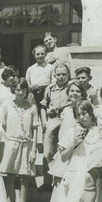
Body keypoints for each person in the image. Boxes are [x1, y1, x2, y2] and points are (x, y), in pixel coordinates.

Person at [33, 82, 87, 202]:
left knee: (71, 182)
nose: (74, 93)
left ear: (82, 93)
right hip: (64, 150)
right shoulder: (67, 109)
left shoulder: (84, 108)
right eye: (71, 91)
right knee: (58, 181)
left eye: (77, 91)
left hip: (77, 151)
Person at [56, 101, 101, 202]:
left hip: (90, 175)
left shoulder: (99, 131)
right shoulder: (72, 132)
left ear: (91, 113)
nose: (82, 117)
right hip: (74, 174)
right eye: (79, 115)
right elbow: (63, 157)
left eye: (85, 113)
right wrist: (74, 142)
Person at [0, 79, 39, 202]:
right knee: (9, 177)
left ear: (26, 91)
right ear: (13, 90)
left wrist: (33, 149)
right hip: (10, 143)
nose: (20, 92)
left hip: (26, 145)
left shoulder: (32, 108)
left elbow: (35, 130)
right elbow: (2, 127)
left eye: (22, 89)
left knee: (24, 178)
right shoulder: (7, 106)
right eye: (17, 89)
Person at [37, 63, 71, 192]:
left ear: (68, 75)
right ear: (54, 75)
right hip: (52, 120)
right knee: (47, 152)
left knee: (64, 150)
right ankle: (47, 182)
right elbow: (43, 106)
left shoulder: (71, 88)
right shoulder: (50, 88)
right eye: (58, 74)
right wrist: (44, 122)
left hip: (66, 120)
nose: (61, 77)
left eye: (64, 74)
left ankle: (62, 179)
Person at [25, 44, 54, 110]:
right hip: (33, 94)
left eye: (42, 54)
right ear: (34, 55)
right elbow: (27, 82)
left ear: (46, 54)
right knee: (33, 111)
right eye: (37, 54)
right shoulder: (30, 69)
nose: (40, 56)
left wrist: (47, 86)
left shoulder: (51, 67)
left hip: (46, 93)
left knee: (45, 111)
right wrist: (30, 87)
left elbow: (54, 81)